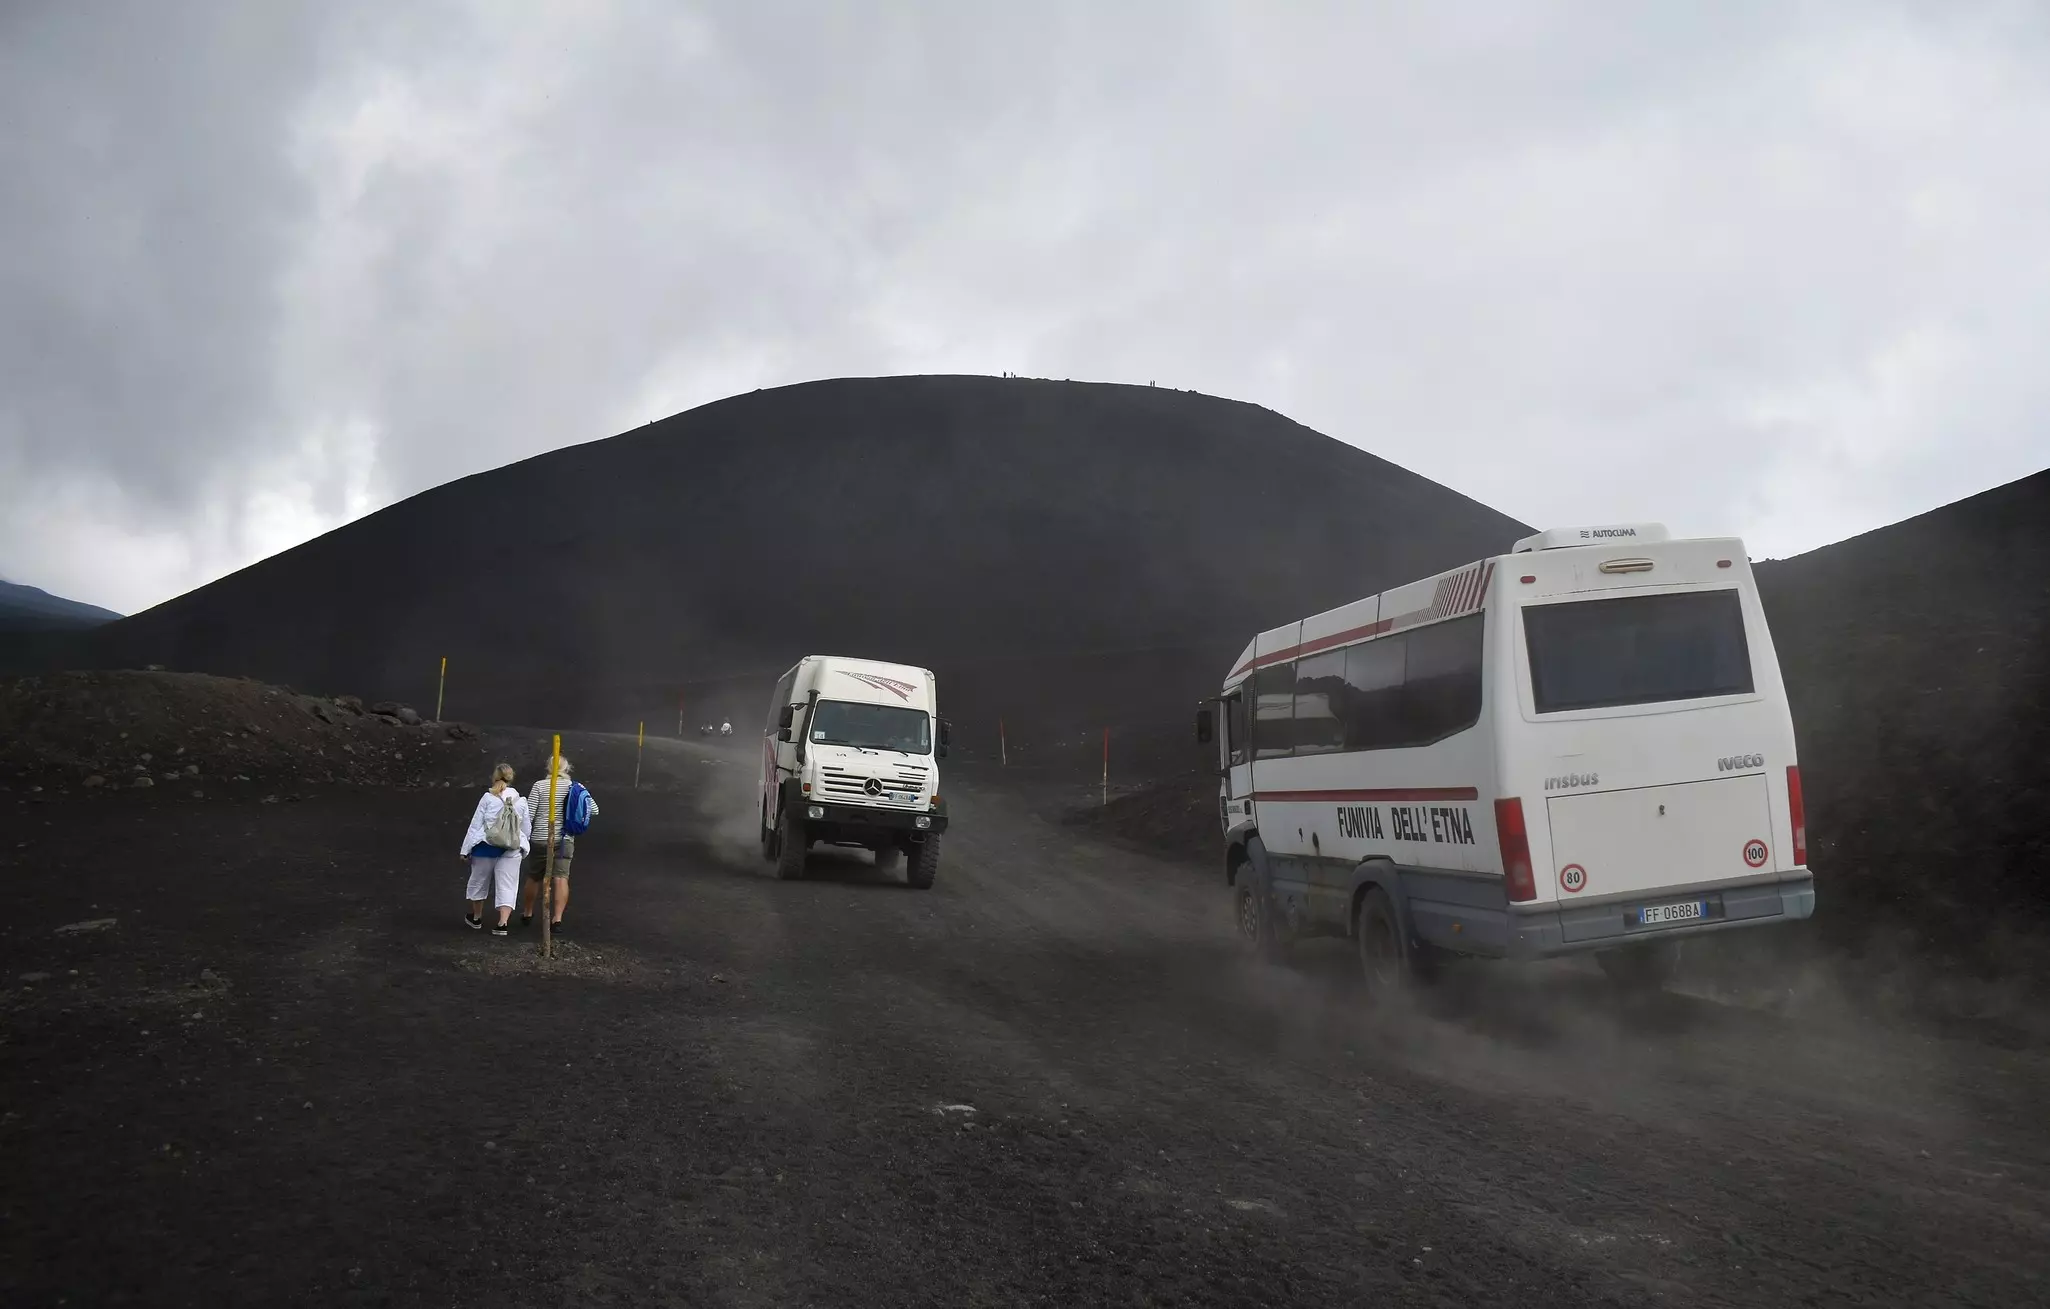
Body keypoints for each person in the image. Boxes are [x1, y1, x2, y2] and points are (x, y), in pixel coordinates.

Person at [521, 755, 597, 933]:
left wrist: (523, 837)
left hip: (540, 838)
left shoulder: (539, 786)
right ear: (567, 768)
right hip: (565, 839)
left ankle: (528, 912)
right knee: (561, 878)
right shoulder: (576, 787)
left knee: (534, 877)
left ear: (548, 768)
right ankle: (557, 919)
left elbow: (529, 815)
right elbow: (594, 809)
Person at [461, 762, 531, 936]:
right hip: (512, 849)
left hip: (486, 847)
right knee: (508, 885)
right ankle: (502, 923)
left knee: (478, 881)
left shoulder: (487, 798)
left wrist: (465, 849)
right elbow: (526, 828)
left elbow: (475, 825)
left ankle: (476, 917)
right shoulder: (521, 801)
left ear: (494, 776)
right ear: (511, 777)